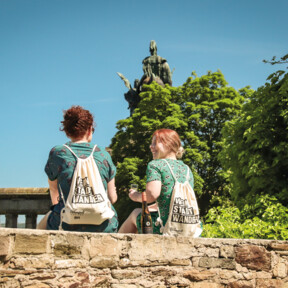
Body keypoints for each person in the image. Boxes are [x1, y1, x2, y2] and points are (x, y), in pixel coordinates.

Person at [37, 105, 118, 232]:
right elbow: (112, 198)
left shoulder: (58, 153)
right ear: (90, 129)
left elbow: (54, 191)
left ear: (67, 131)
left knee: (40, 227)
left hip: (67, 221)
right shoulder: (104, 155)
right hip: (104, 224)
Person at [119, 129, 198, 234]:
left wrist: (136, 196)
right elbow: (177, 199)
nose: (151, 146)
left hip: (165, 227)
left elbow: (152, 195)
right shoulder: (187, 169)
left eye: (155, 143)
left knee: (135, 213)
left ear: (168, 144)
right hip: (189, 228)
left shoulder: (156, 165)